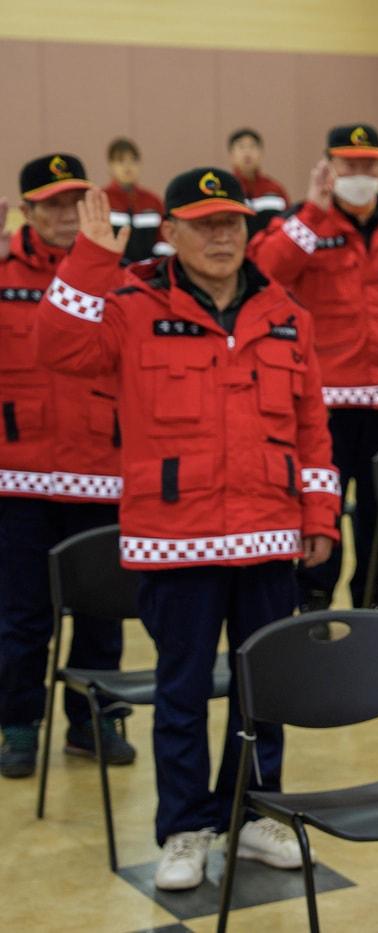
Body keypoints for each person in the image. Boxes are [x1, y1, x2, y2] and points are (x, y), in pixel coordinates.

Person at [38, 172, 340, 890]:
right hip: (177, 539)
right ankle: (184, 827)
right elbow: (57, 347)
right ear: (168, 231)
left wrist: (320, 515)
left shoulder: (285, 312)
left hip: (270, 534)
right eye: (203, 224)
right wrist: (88, 256)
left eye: (231, 221)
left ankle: (257, 811)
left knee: (265, 686)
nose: (221, 236)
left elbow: (311, 425)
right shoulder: (132, 306)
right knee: (180, 690)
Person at [249, 123, 378, 611]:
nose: (361, 173)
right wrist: (312, 208)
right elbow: (266, 269)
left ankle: (374, 597)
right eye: (350, 164)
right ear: (330, 165)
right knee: (320, 505)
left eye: (370, 164)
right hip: (324, 404)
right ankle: (314, 600)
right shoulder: (304, 225)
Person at [0, 154, 129, 778]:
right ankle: (19, 724)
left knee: (103, 613)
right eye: (49, 202)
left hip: (101, 472)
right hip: (17, 479)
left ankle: (94, 718)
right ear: (26, 210)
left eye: (72, 201)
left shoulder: (116, 277)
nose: (62, 213)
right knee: (21, 617)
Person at [104, 137, 168, 263]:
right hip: (113, 273)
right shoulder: (102, 200)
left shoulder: (153, 201)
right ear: (110, 166)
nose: (128, 167)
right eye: (120, 161)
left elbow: (163, 240)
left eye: (133, 160)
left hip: (149, 274)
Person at [228, 128, 290, 238]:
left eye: (252, 147)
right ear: (231, 155)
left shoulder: (275, 189)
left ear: (261, 153)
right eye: (241, 147)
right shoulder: (226, 189)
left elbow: (287, 224)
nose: (247, 153)